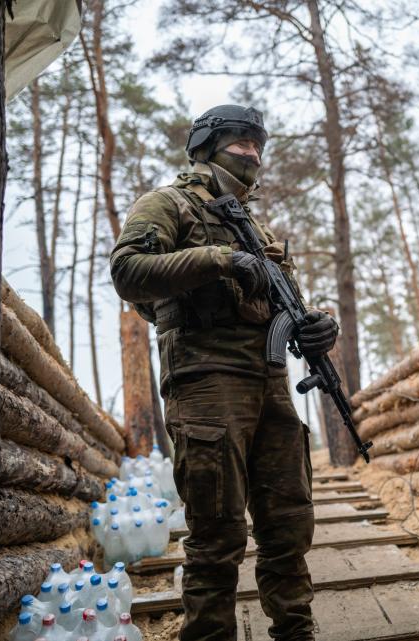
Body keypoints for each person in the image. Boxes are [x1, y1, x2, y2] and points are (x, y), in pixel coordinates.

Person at [110, 104, 339, 641]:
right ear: (207, 145)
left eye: (258, 144)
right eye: (239, 141)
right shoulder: (167, 203)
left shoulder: (255, 225)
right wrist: (219, 258)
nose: (252, 152)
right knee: (216, 534)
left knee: (289, 525)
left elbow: (291, 308)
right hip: (206, 382)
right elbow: (127, 271)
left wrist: (317, 326)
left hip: (272, 385)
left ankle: (295, 631)